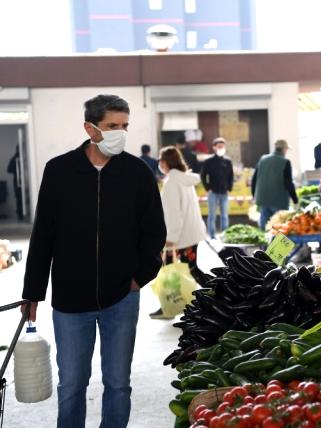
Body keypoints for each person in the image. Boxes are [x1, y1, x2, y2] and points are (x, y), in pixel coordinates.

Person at [21, 94, 166, 427]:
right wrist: (33, 292)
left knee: (118, 384)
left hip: (122, 297)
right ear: (90, 128)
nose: (120, 133)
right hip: (71, 301)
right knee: (71, 385)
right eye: (112, 126)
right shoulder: (59, 171)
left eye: (124, 126)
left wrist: (139, 277)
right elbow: (43, 234)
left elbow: (154, 232)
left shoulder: (137, 173)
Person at [151, 146, 208, 319]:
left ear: (165, 162)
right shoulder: (184, 179)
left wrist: (170, 238)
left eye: (161, 160)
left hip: (177, 237)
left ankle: (169, 307)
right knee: (190, 268)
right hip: (191, 234)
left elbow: (174, 213)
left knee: (171, 270)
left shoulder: (172, 183)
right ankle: (215, 295)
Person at [252, 139, 299, 230]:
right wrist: (295, 199)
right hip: (279, 201)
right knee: (279, 228)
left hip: (263, 199)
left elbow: (254, 179)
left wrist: (255, 196)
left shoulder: (263, 159)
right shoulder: (285, 162)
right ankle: (277, 245)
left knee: (266, 227)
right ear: (284, 149)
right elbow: (288, 183)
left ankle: (266, 244)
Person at [200, 138, 234, 237]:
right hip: (213, 192)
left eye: (223, 146)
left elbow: (231, 175)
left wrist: (229, 187)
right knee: (212, 215)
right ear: (214, 147)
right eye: (219, 146)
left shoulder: (228, 161)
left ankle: (225, 234)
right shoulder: (208, 161)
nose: (221, 148)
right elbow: (203, 175)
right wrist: (207, 188)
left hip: (224, 192)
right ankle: (212, 235)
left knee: (224, 215)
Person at [6, 145, 24, 220]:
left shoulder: (25, 156)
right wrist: (16, 171)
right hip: (17, 182)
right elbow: (9, 169)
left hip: (25, 181)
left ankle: (22, 214)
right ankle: (20, 215)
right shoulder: (14, 159)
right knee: (19, 198)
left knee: (23, 198)